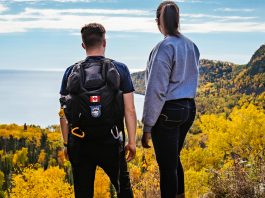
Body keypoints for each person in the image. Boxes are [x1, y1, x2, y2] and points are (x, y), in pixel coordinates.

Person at [59, 23, 136, 198]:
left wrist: (67, 144)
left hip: (80, 143)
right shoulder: (120, 69)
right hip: (111, 142)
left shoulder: (70, 72)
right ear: (105, 42)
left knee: (83, 193)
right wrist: (131, 142)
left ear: (83, 45)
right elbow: (130, 110)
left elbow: (64, 113)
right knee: (124, 190)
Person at [141, 1, 200, 198]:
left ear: (158, 21)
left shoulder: (164, 48)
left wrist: (147, 126)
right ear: (178, 20)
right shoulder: (191, 46)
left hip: (168, 112)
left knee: (167, 167)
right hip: (188, 108)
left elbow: (156, 90)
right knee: (174, 159)